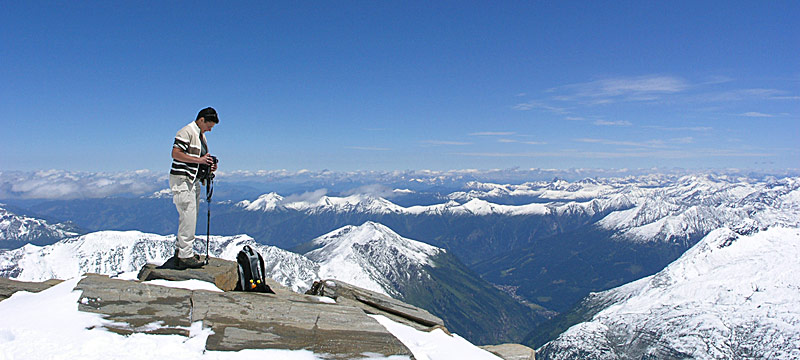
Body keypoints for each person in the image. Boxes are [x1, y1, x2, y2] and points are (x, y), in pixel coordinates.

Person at [169, 107, 219, 269]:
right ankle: (185, 256)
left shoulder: (199, 135)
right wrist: (200, 161)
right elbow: (176, 154)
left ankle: (182, 252)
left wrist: (208, 165)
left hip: (192, 181)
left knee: (190, 216)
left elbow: (198, 158)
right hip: (183, 181)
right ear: (201, 119)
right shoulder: (186, 132)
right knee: (188, 216)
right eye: (209, 125)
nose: (210, 129)